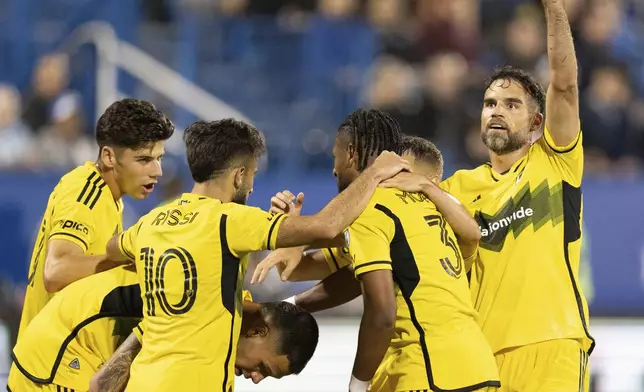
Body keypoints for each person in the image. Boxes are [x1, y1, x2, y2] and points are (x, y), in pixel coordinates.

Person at [102, 118, 409, 392]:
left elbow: (113, 248)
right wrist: (374, 174)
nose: (251, 188)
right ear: (239, 175)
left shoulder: (151, 222)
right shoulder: (229, 221)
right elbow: (327, 226)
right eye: (253, 176)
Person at [254, 112, 499, 392]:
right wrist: (298, 247)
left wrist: (357, 384)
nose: (334, 169)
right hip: (477, 367)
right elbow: (349, 277)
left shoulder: (371, 209)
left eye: (335, 156)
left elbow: (381, 312)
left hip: (428, 369)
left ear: (350, 154)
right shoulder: (434, 208)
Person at [437, 2, 593, 391]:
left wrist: (554, 8)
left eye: (511, 104)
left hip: (554, 347)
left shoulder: (555, 162)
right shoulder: (455, 189)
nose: (496, 111)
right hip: (482, 360)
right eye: (490, 103)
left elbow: (565, 83)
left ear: (537, 122)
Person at [8, 265, 318, 392]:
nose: (255, 378)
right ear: (258, 332)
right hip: (61, 351)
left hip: (93, 353)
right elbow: (103, 383)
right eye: (263, 367)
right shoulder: (206, 310)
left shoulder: (229, 315)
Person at [17, 99, 174, 340]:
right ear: (109, 157)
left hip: (72, 361)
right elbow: (56, 271)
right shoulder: (84, 189)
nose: (157, 171)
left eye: (159, 158)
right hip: (48, 368)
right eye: (144, 160)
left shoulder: (112, 199)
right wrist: (131, 260)